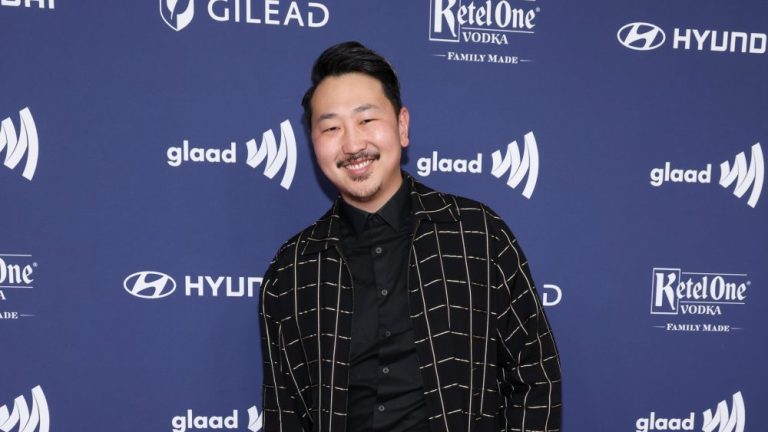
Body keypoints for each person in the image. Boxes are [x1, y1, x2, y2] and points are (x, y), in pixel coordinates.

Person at [259, 41, 561, 432]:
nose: (352, 144)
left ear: (402, 126)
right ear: (314, 143)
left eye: (367, 120)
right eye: (331, 127)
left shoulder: (479, 235)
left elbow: (536, 377)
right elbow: (284, 416)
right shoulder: (292, 270)